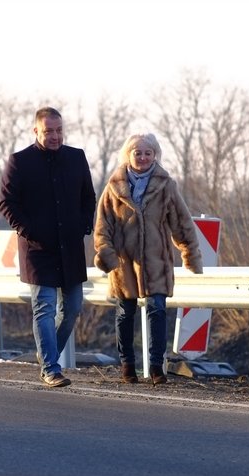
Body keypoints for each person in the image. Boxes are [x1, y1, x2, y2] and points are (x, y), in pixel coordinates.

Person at [93, 133, 203, 385]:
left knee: (157, 308)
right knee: (125, 313)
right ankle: (127, 365)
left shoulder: (166, 185)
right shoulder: (114, 187)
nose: (142, 157)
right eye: (137, 153)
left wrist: (190, 253)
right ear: (128, 155)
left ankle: (156, 367)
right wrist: (106, 252)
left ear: (155, 155)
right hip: (124, 262)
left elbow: (181, 222)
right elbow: (102, 225)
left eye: (148, 153)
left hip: (156, 260)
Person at [0, 107, 96, 387]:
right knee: (44, 308)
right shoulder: (20, 161)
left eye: (59, 130)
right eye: (49, 131)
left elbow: (88, 198)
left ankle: (47, 355)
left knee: (73, 307)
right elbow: (6, 202)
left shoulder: (76, 158)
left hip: (71, 248)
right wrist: (29, 231)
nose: (55, 136)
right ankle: (51, 368)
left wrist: (84, 226)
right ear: (36, 131)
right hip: (37, 249)